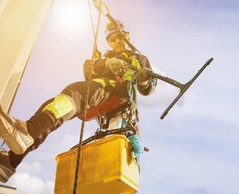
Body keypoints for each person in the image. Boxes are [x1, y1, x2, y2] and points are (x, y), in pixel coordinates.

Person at [0, 20, 157, 183]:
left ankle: (28, 132)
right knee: (52, 106)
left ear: (127, 36)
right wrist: (106, 62)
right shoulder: (104, 59)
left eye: (119, 37)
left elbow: (148, 89)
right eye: (112, 39)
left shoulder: (138, 58)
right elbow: (88, 70)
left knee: (75, 92)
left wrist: (144, 78)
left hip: (117, 94)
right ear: (108, 42)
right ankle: (11, 161)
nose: (116, 41)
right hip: (101, 97)